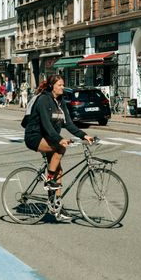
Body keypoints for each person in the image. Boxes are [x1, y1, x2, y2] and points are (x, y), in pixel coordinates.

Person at [23, 74, 94, 222]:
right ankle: (49, 181)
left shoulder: (60, 102)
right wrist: (60, 139)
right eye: (60, 85)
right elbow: (46, 126)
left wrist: (84, 135)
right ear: (52, 86)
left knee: (59, 171)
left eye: (63, 85)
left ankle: (56, 206)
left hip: (49, 138)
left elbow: (68, 123)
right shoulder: (43, 100)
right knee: (60, 149)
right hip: (34, 136)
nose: (63, 87)